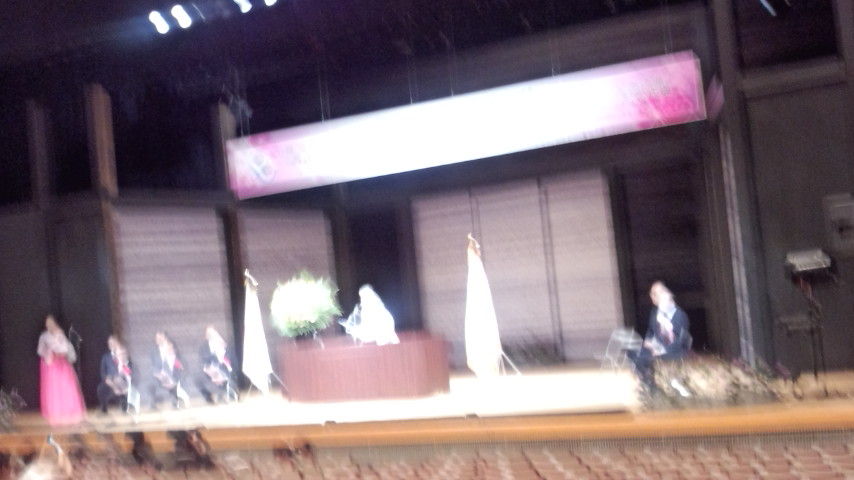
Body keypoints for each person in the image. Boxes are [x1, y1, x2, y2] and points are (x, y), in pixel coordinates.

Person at [631, 281, 692, 387]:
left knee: (642, 357)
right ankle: (647, 381)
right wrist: (648, 340)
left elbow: (682, 340)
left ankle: (651, 384)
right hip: (657, 346)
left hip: (673, 350)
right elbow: (651, 330)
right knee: (633, 351)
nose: (652, 296)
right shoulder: (655, 312)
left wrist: (662, 350)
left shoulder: (680, 315)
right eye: (651, 293)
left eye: (655, 293)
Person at [37, 314, 86, 426]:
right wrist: (49, 353)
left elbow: (66, 347)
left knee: (67, 386)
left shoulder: (60, 334)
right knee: (54, 389)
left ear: (55, 323)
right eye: (47, 323)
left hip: (62, 364)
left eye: (51, 322)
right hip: (51, 365)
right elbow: (40, 350)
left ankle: (70, 413)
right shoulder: (44, 336)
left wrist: (60, 351)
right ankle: (56, 414)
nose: (49, 325)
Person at [196, 326, 237, 404]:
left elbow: (229, 357)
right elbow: (203, 359)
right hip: (209, 369)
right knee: (198, 379)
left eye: (212, 333)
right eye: (208, 333)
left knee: (225, 374)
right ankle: (210, 399)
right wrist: (209, 366)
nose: (210, 335)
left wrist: (222, 362)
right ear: (206, 335)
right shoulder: (203, 347)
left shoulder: (222, 343)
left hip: (224, 368)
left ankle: (227, 394)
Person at [148, 331, 186, 409]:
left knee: (175, 381)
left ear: (165, 338)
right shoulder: (153, 351)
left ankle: (176, 402)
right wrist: (157, 373)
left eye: (160, 338)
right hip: (160, 374)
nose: (157, 340)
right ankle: (153, 404)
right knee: (151, 383)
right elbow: (152, 365)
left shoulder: (172, 346)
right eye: (156, 338)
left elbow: (179, 361)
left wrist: (178, 368)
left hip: (172, 373)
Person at [96, 336, 132, 414]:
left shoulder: (123, 354)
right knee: (101, 388)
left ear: (117, 343)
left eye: (113, 343)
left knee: (119, 380)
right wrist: (107, 379)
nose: (111, 345)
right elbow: (103, 372)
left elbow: (129, 369)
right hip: (110, 381)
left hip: (122, 379)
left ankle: (124, 406)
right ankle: (104, 408)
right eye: (109, 343)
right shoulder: (105, 357)